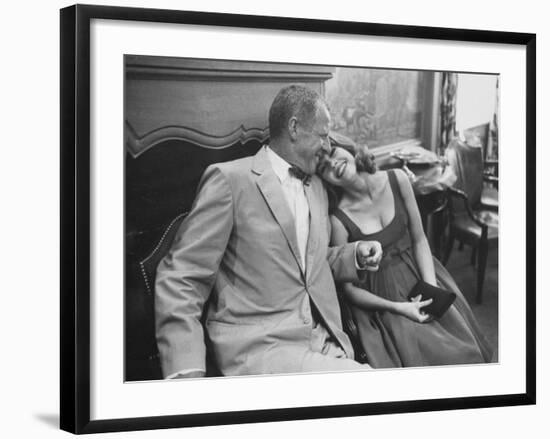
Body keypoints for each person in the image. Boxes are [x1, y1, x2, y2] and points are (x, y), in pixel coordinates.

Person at [154, 85, 383, 378]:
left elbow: (307, 264)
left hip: (324, 339)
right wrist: (185, 373)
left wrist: (354, 256)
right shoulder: (230, 181)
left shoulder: (317, 187)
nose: (328, 146)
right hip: (261, 348)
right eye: (323, 135)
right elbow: (181, 278)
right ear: (294, 128)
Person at [318, 143, 493, 367]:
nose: (334, 164)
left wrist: (431, 290)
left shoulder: (397, 179)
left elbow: (419, 238)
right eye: (324, 168)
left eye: (333, 153)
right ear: (326, 181)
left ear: (349, 150)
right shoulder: (338, 219)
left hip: (420, 274)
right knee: (427, 357)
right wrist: (399, 308)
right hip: (381, 300)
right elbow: (349, 290)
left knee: (463, 351)